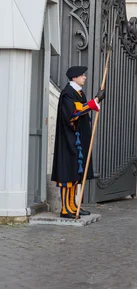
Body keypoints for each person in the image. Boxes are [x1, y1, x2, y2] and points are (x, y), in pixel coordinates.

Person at [51, 66, 105, 219]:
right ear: (74, 77)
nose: (85, 78)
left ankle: (74, 206)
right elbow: (75, 112)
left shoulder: (78, 93)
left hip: (78, 138)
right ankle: (65, 208)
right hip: (69, 139)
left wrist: (93, 102)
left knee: (75, 174)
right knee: (68, 173)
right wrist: (95, 101)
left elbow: (82, 109)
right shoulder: (68, 94)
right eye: (82, 75)